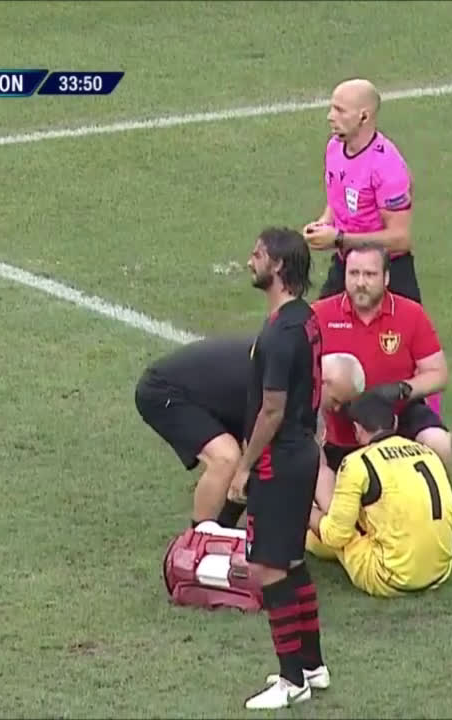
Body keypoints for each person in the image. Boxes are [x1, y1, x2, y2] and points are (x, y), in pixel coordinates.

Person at [227, 226, 328, 710]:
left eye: (258, 255)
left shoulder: (279, 334)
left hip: (278, 460)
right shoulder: (305, 318)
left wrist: (243, 467)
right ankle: (313, 665)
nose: (250, 261)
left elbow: (271, 410)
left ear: (279, 266)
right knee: (291, 561)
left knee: (267, 567)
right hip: (302, 451)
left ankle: (292, 680)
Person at [313, 244, 452, 475]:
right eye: (354, 273)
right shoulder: (319, 315)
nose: (360, 282)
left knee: (439, 442)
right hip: (339, 423)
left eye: (369, 274)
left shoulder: (411, 314)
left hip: (398, 415)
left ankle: (434, 496)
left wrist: (399, 390)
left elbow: (438, 374)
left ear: (386, 277)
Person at [306, 392, 452, 597]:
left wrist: (305, 510)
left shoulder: (358, 463)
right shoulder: (428, 452)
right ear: (394, 422)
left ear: (357, 429)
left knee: (331, 532)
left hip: (390, 577)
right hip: (440, 570)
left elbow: (335, 536)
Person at [302, 77, 422, 303]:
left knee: (405, 327)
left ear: (364, 117)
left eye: (340, 110)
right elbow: (339, 197)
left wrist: (339, 239)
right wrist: (324, 223)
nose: (330, 116)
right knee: (318, 324)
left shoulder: (387, 167)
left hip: (387, 271)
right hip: (347, 263)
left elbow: (400, 239)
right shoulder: (334, 147)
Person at [134, 337, 254, 528]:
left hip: (215, 396)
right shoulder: (277, 382)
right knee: (226, 458)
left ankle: (223, 529)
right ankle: (199, 538)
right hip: (164, 390)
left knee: (254, 462)